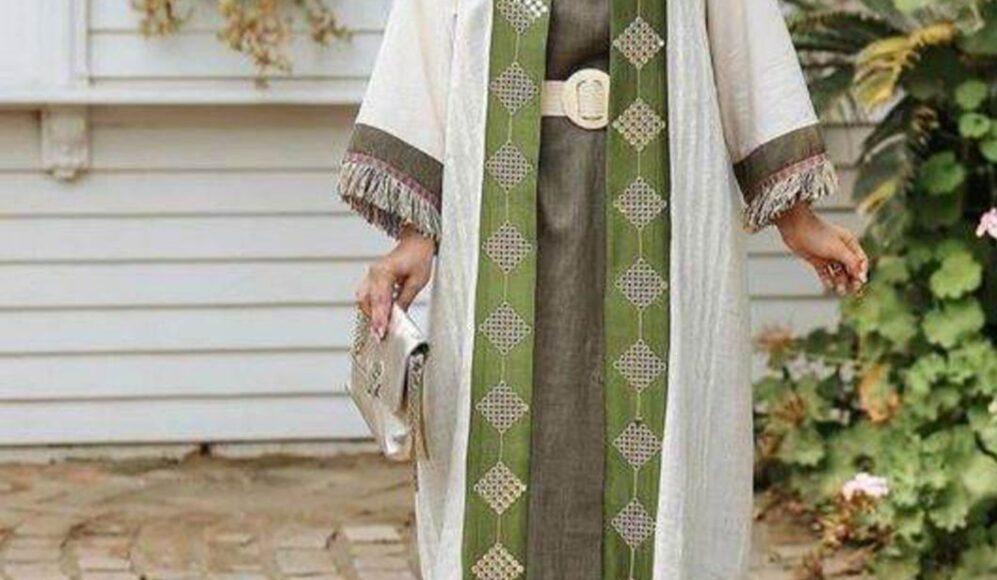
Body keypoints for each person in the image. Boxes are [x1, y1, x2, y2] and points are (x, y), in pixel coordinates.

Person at [338, 0, 868, 578]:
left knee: (660, 452)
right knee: (496, 439)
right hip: (500, 219)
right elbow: (424, 53)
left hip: (661, 217)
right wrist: (415, 239)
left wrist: (797, 218)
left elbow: (745, 41)